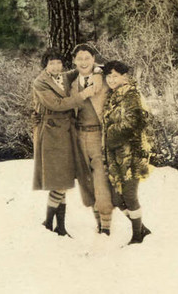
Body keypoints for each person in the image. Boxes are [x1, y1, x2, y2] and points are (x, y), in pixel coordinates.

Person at [32, 48, 95, 236]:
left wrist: (95, 66)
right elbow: (57, 105)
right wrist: (83, 95)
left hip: (66, 133)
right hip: (51, 134)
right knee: (60, 182)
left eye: (59, 62)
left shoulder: (64, 77)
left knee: (64, 180)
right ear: (45, 65)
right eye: (51, 63)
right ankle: (49, 223)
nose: (56, 66)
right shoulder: (40, 82)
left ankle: (58, 226)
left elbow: (81, 68)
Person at [102, 60, 153, 244]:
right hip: (116, 155)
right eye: (108, 76)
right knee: (116, 198)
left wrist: (109, 134)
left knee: (130, 195)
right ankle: (141, 227)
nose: (111, 79)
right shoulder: (114, 95)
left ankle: (137, 236)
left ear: (125, 76)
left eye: (115, 75)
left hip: (132, 154)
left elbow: (133, 122)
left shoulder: (131, 95)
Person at [70, 44, 114, 235]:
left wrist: (99, 71)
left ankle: (106, 225)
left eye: (87, 58)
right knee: (85, 180)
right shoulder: (71, 82)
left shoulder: (103, 80)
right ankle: (97, 221)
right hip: (79, 136)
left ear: (94, 59)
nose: (84, 62)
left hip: (98, 135)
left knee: (101, 179)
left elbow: (119, 73)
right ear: (74, 61)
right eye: (80, 58)